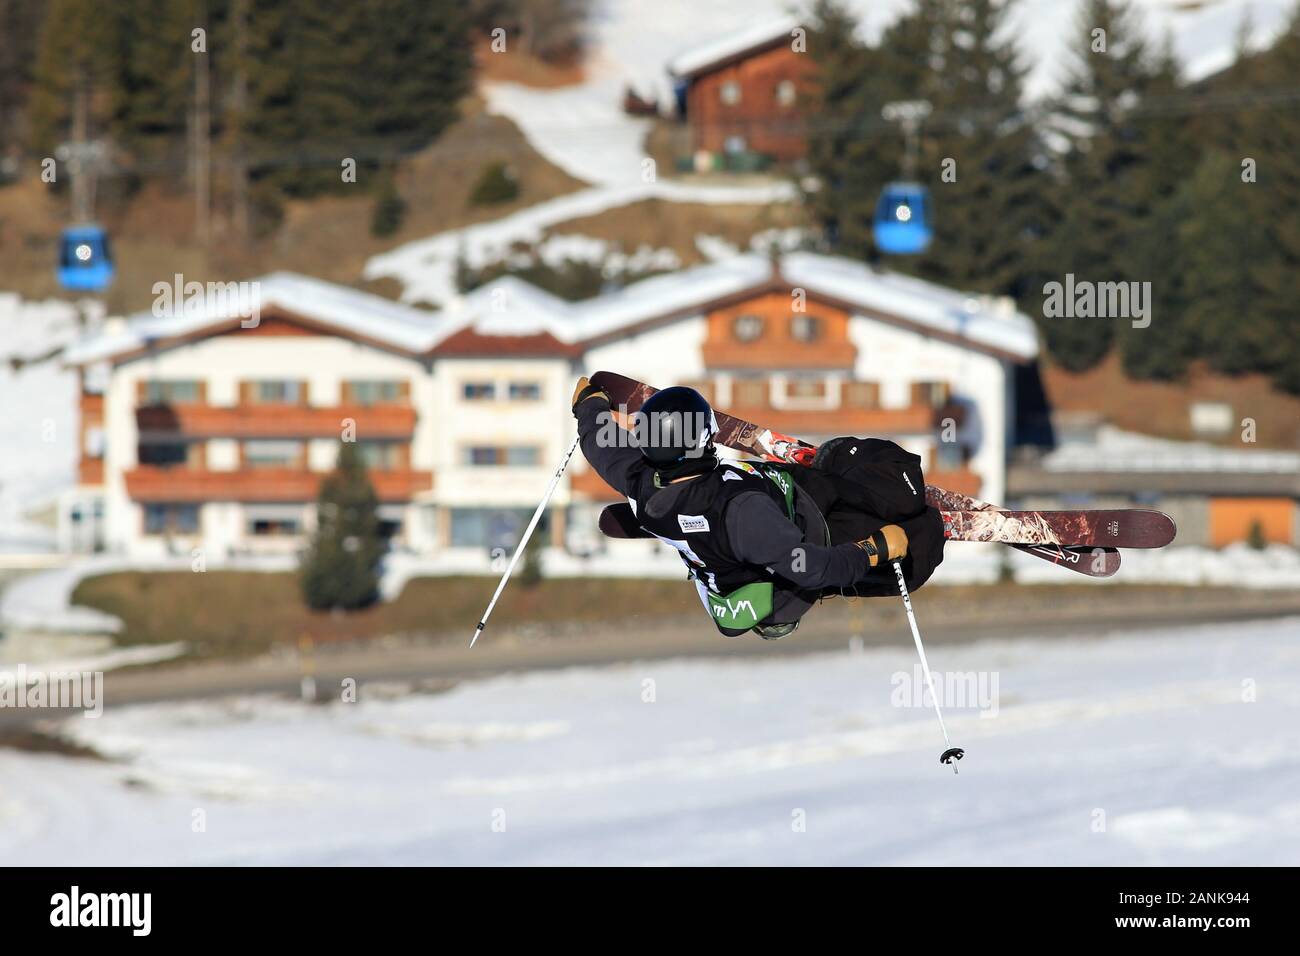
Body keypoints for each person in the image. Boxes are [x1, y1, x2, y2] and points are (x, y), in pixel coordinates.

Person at [571, 376, 945, 639]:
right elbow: (813, 568)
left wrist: (589, 406)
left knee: (713, 529)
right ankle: (775, 609)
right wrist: (872, 550)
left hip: (722, 543)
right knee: (916, 521)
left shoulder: (640, 481)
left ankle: (669, 528)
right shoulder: (741, 510)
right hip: (802, 534)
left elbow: (599, 443)